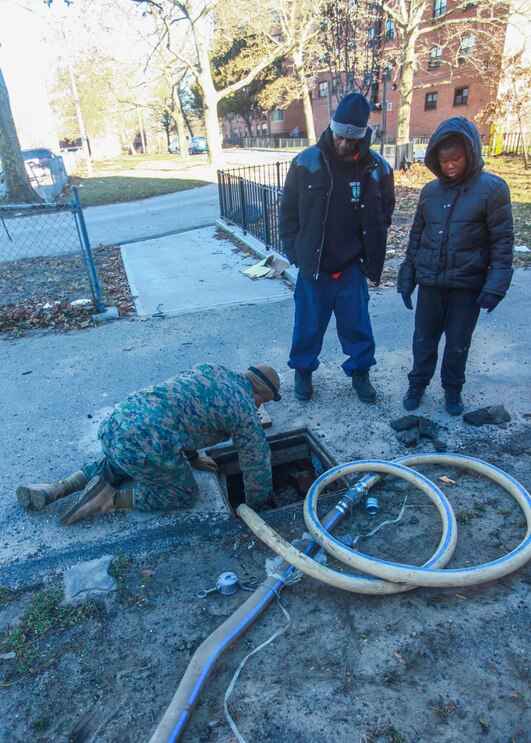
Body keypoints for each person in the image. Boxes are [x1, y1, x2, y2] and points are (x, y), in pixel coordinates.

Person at [16, 363, 281, 524]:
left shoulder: (212, 370)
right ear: (261, 396)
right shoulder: (245, 410)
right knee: (184, 494)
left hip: (116, 425)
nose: (260, 407)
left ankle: (57, 488)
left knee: (118, 463)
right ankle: (108, 501)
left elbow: (187, 415)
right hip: (145, 445)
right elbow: (257, 463)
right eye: (263, 402)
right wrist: (257, 507)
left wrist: (193, 459)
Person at [279, 92, 395, 403]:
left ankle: (360, 374)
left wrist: (369, 251)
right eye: (340, 135)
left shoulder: (377, 168)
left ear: (362, 137)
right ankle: (303, 371)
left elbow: (386, 210)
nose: (344, 143)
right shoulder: (306, 161)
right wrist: (295, 252)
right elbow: (288, 211)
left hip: (351, 265)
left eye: (351, 138)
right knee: (308, 325)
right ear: (332, 128)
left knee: (357, 326)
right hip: (314, 265)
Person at [397, 117, 514, 416]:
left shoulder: (493, 189)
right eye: (444, 159)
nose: (450, 165)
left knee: (458, 344)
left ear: (470, 153)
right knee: (423, 340)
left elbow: (502, 243)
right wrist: (407, 274)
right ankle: (418, 384)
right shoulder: (430, 192)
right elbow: (416, 237)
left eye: (456, 158)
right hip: (431, 283)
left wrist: (495, 286)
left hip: (466, 285)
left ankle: (452, 391)